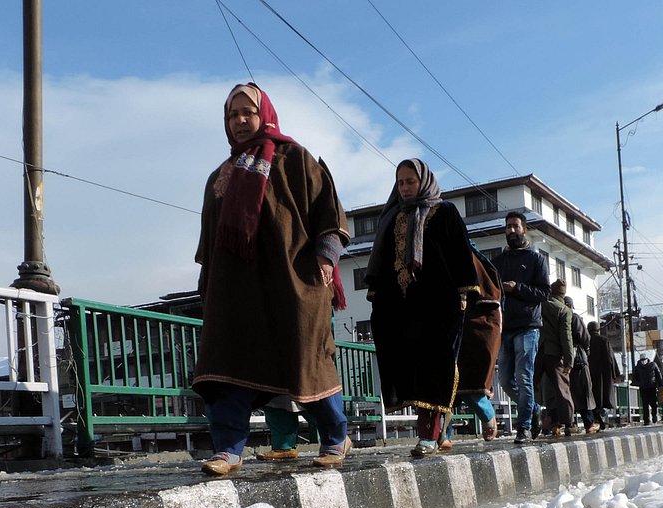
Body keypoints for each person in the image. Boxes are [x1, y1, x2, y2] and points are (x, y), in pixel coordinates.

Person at [192, 83, 351, 477]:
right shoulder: (220, 175)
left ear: (265, 113)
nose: (241, 121)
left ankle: (335, 436)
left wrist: (327, 257)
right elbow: (210, 242)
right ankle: (228, 448)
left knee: (304, 359)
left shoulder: (295, 158)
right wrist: (208, 286)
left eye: (248, 112)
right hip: (235, 291)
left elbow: (328, 212)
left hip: (292, 281)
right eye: (233, 115)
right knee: (228, 362)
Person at [365, 159, 478, 458]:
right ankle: (437, 430)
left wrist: (463, 295)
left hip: (440, 304)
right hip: (405, 306)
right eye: (400, 182)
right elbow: (382, 262)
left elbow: (460, 254)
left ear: (424, 181)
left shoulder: (446, 212)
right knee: (411, 367)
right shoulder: (392, 217)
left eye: (410, 181)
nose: (404, 188)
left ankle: (428, 433)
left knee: (435, 366)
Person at [493, 212, 550, 444]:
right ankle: (534, 408)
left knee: (523, 377)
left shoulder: (536, 259)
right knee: (506, 380)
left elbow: (544, 293)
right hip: (505, 327)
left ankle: (523, 427)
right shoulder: (498, 261)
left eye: (515, 226)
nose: (511, 230)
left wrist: (517, 288)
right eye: (508, 227)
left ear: (524, 229)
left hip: (528, 326)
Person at [442, 243, 504, 450]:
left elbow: (489, 304)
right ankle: (444, 435)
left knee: (471, 388)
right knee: (444, 390)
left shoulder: (473, 262)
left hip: (472, 330)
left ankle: (487, 415)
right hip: (447, 330)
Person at [535, 279, 575, 436]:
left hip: (538, 351)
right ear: (563, 295)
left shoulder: (540, 304)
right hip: (554, 353)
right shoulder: (564, 310)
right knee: (563, 389)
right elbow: (566, 337)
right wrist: (569, 359)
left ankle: (531, 423)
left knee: (532, 386)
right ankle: (569, 424)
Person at [567, 298, 599, 433]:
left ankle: (569, 424)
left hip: (560, 361)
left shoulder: (553, 316)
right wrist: (586, 351)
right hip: (578, 360)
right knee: (584, 391)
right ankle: (589, 423)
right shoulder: (574, 318)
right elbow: (585, 338)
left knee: (567, 393)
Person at [587, 321, 620, 428]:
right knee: (603, 397)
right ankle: (600, 416)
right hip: (603, 374)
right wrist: (615, 373)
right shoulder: (603, 340)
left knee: (592, 397)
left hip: (588, 372)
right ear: (598, 329)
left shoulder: (585, 340)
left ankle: (596, 418)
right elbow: (610, 358)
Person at [632, 354, 661, 426]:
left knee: (645, 404)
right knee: (653, 403)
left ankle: (646, 420)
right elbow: (658, 374)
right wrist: (660, 384)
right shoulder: (653, 364)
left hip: (644, 388)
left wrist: (638, 383)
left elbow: (634, 378)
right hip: (652, 386)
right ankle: (653, 416)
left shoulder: (637, 367)